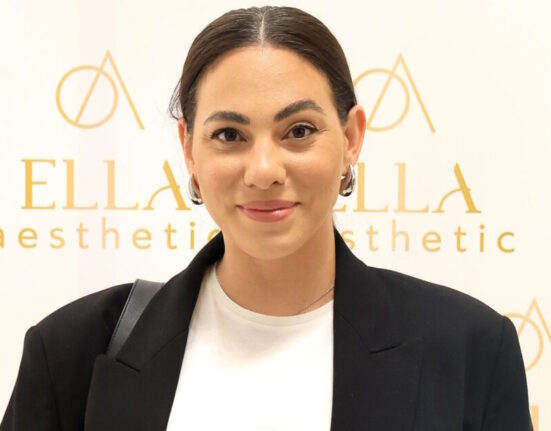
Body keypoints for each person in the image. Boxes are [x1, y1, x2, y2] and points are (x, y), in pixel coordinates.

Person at [1, 5, 532, 431]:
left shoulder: (471, 349)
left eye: (298, 131)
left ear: (351, 139)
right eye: (228, 135)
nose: (263, 171)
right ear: (188, 149)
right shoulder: (69, 351)